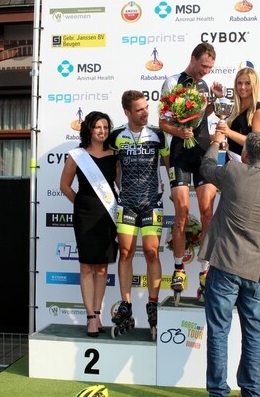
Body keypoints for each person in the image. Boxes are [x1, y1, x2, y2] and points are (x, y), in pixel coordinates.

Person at [199, 131, 260, 397]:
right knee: (253, 334)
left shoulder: (233, 170)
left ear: (245, 153)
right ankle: (251, 392)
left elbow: (206, 168)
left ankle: (218, 393)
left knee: (219, 332)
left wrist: (216, 143)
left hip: (226, 264)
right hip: (256, 270)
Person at [158, 42, 224, 297]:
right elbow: (162, 122)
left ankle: (205, 270)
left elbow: (202, 116)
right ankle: (178, 269)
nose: (206, 71)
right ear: (193, 58)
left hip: (203, 152)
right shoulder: (172, 81)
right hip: (180, 155)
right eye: (203, 66)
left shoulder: (204, 85)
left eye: (210, 68)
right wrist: (179, 132)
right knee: (182, 213)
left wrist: (214, 100)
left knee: (207, 212)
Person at [107, 90, 170, 337]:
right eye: (139, 109)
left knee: (152, 251)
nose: (145, 113)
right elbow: (111, 164)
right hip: (127, 202)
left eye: (146, 107)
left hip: (152, 201)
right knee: (125, 252)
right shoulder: (116, 136)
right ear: (127, 112)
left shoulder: (157, 134)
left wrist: (176, 188)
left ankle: (152, 305)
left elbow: (168, 164)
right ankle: (126, 304)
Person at [60, 111, 119, 338]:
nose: (102, 131)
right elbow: (64, 186)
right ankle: (90, 317)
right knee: (86, 266)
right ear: (89, 130)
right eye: (98, 127)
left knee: (102, 267)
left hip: (108, 214)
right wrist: (81, 203)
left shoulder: (115, 155)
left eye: (105, 127)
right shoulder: (77, 155)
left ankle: (98, 313)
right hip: (85, 216)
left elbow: (120, 184)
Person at [215, 66, 260, 158]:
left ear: (254, 85)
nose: (243, 87)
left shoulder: (259, 109)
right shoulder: (235, 108)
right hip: (231, 160)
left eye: (247, 83)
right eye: (239, 83)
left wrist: (229, 132)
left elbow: (257, 143)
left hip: (249, 164)